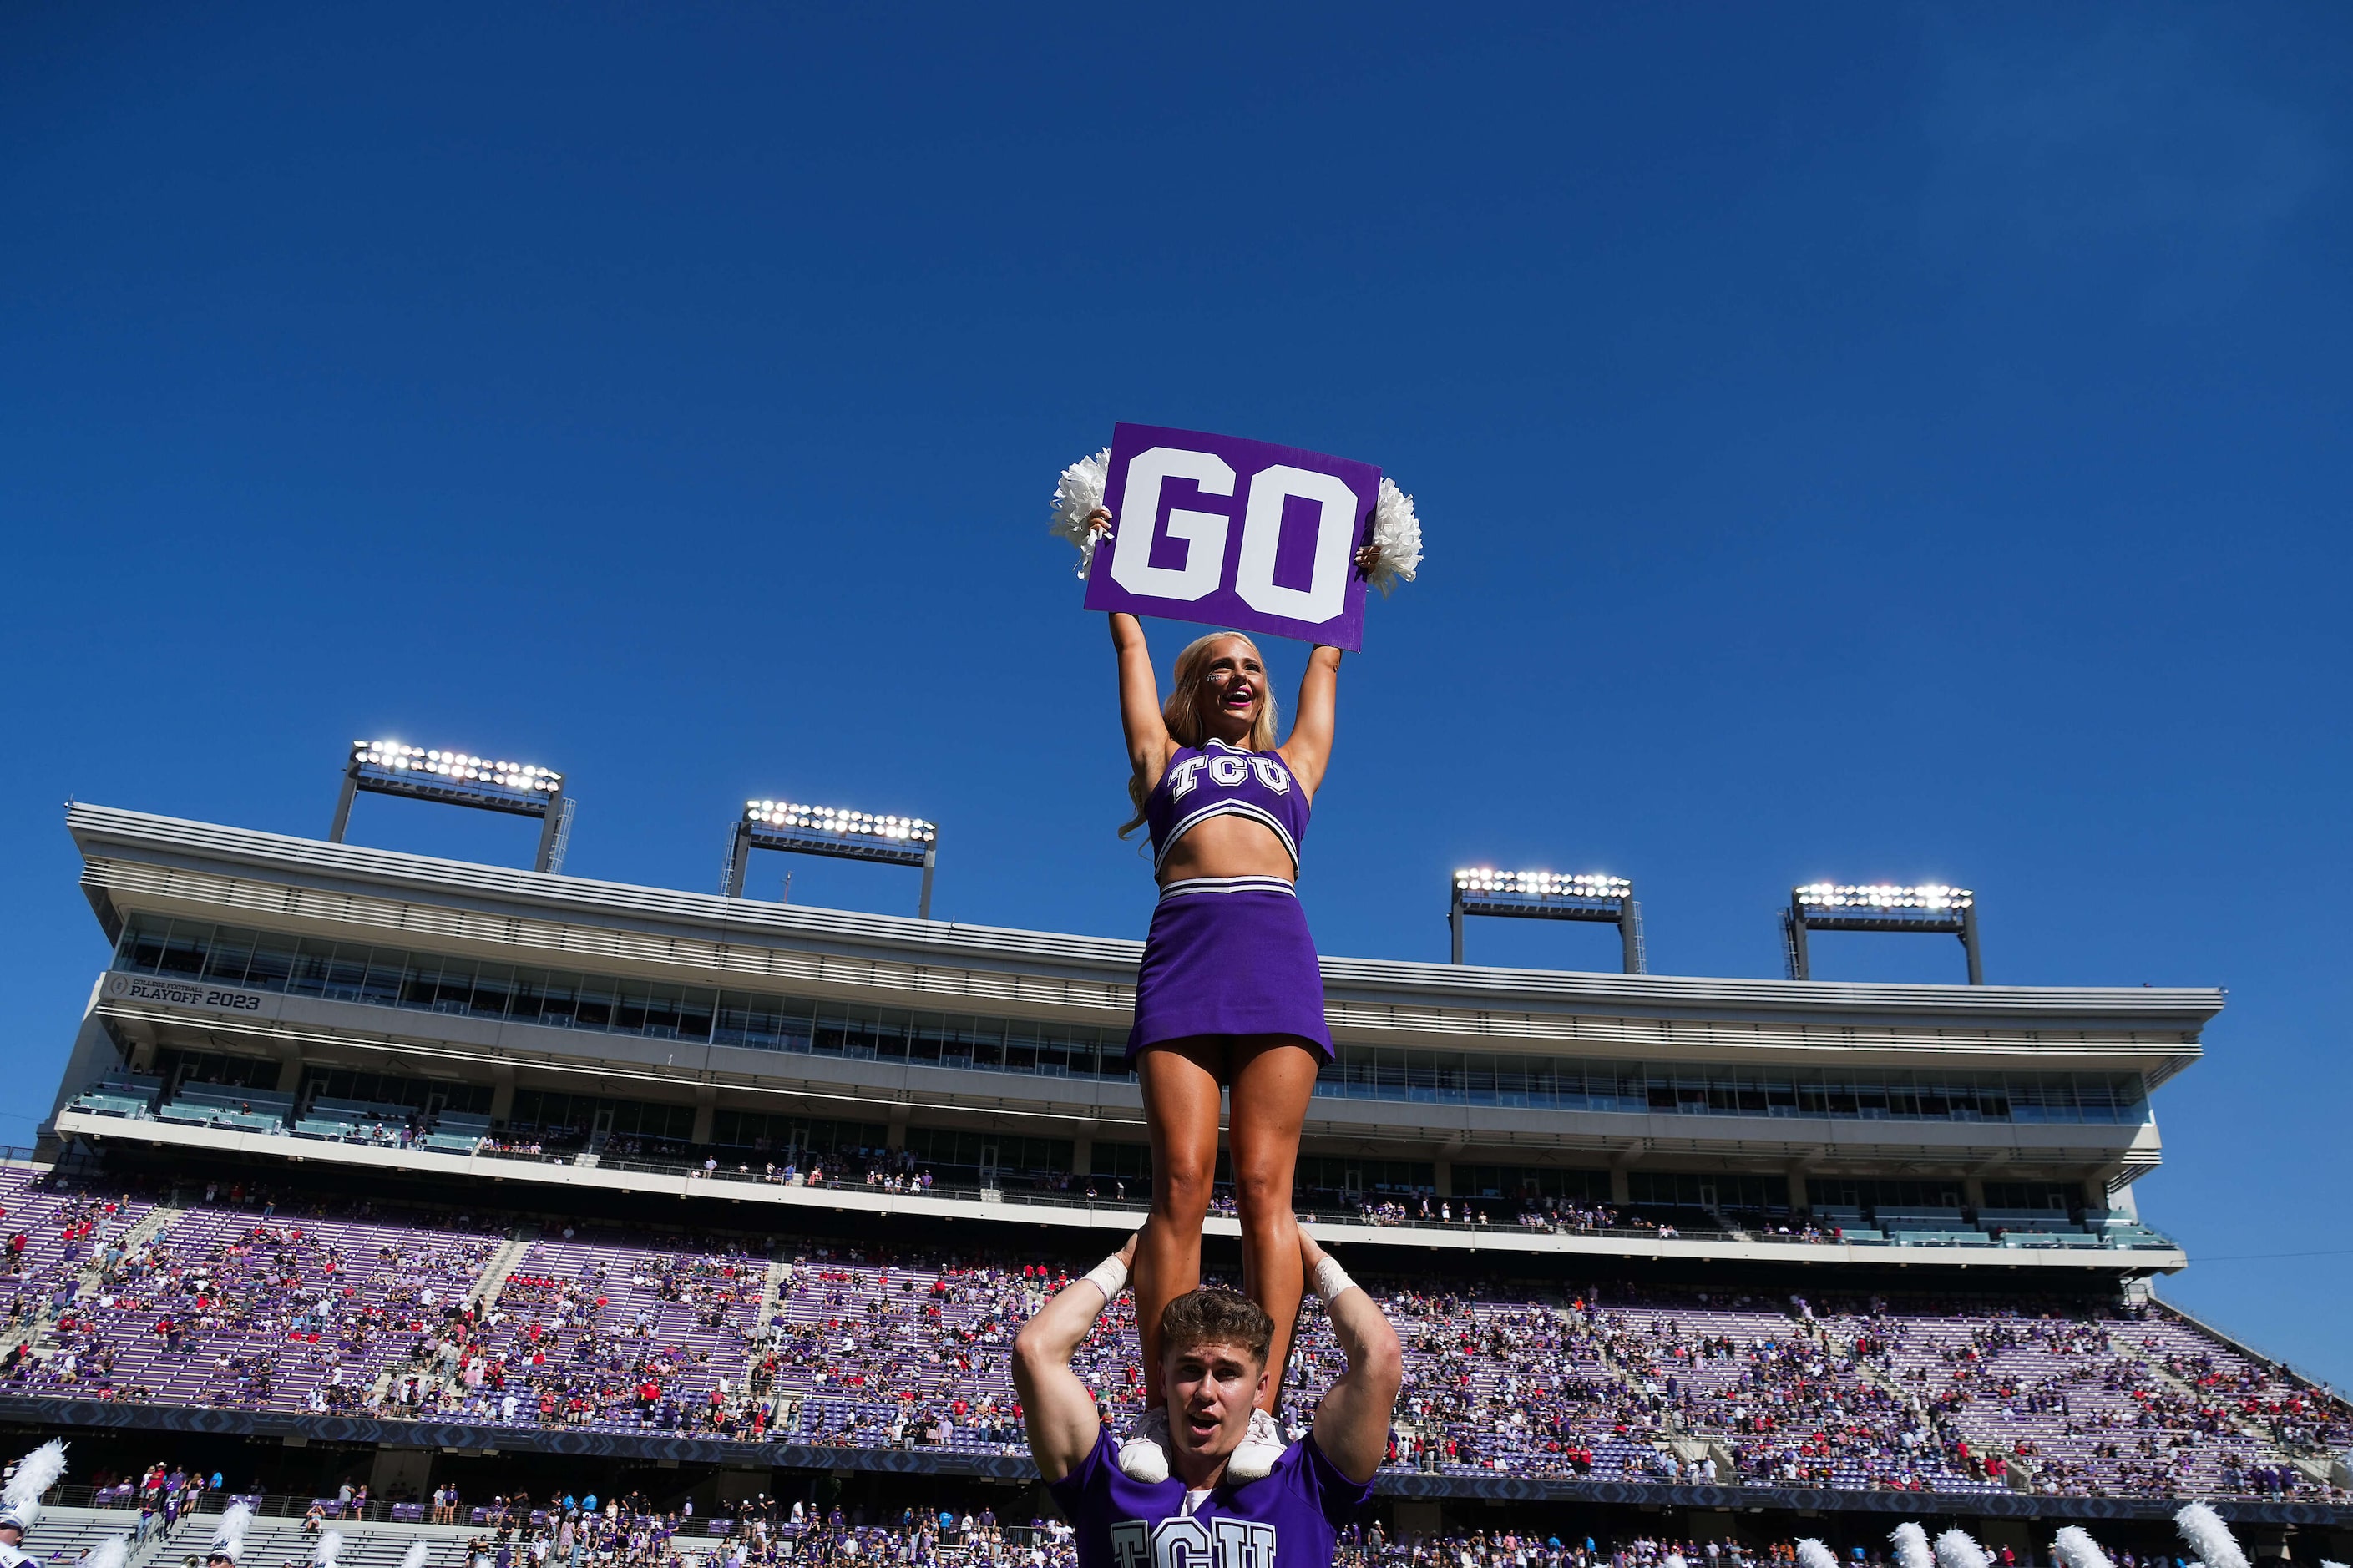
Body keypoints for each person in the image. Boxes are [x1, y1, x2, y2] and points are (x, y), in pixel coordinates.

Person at [1103, 599, 1346, 1479]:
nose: (1240, 677)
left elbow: (1328, 661)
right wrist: (1114, 576)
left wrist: (1350, 586)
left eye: (1251, 668)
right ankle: (1162, 1404)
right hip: (1183, 955)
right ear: (1194, 690)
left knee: (1262, 1188)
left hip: (1277, 959)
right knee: (1179, 1182)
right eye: (1220, 668)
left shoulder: (1294, 767)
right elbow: (1127, 641)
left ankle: (1262, 1410)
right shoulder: (1160, 761)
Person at [1014, 1229, 1399, 1568]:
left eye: (1227, 1373)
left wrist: (1318, 1264)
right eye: (1190, 1370)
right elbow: (1036, 1350)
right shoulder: (1106, 1485)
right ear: (1163, 1380)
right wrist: (1122, 1263)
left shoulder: (1305, 1485)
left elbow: (1379, 1356)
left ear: (1261, 1389)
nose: (1206, 1392)